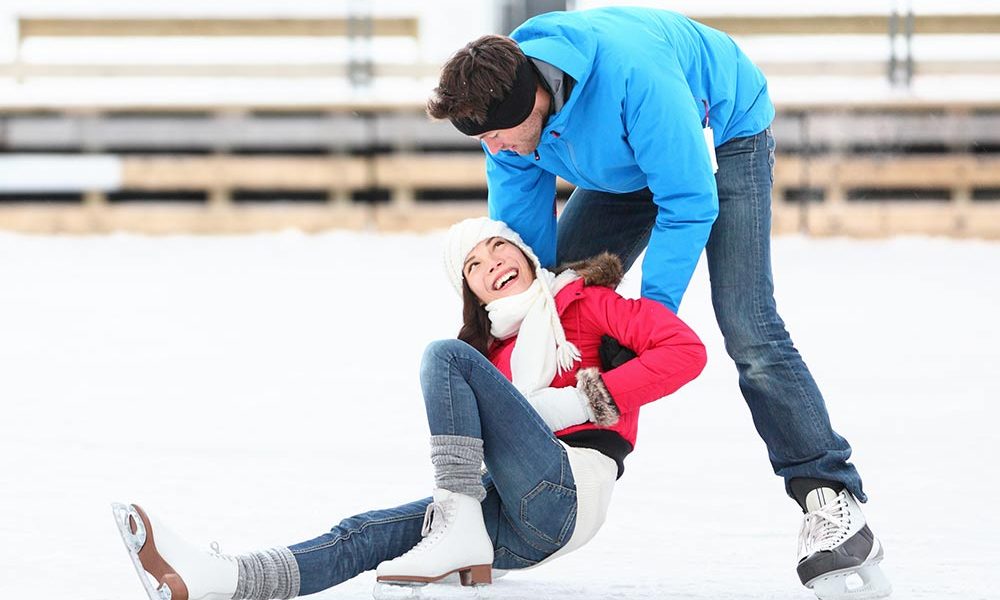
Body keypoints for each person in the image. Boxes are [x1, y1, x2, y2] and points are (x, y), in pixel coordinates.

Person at [426, 6, 891, 599]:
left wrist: (653, 318)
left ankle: (830, 495)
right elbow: (529, 267)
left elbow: (688, 201)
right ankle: (541, 466)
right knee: (559, 298)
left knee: (748, 325)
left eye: (495, 135)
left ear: (534, 101)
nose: (493, 148)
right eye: (482, 138)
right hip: (627, 163)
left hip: (723, 134)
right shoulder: (501, 109)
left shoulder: (634, 76)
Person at [112, 217, 706, 600]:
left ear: (524, 252)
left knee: (443, 357)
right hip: (523, 522)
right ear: (471, 290)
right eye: (473, 265)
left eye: (498, 244)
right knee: (365, 534)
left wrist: (584, 399)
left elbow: (687, 350)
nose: (491, 261)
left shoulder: (586, 302)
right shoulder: (490, 356)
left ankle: (456, 523)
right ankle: (225, 579)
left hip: (574, 485)